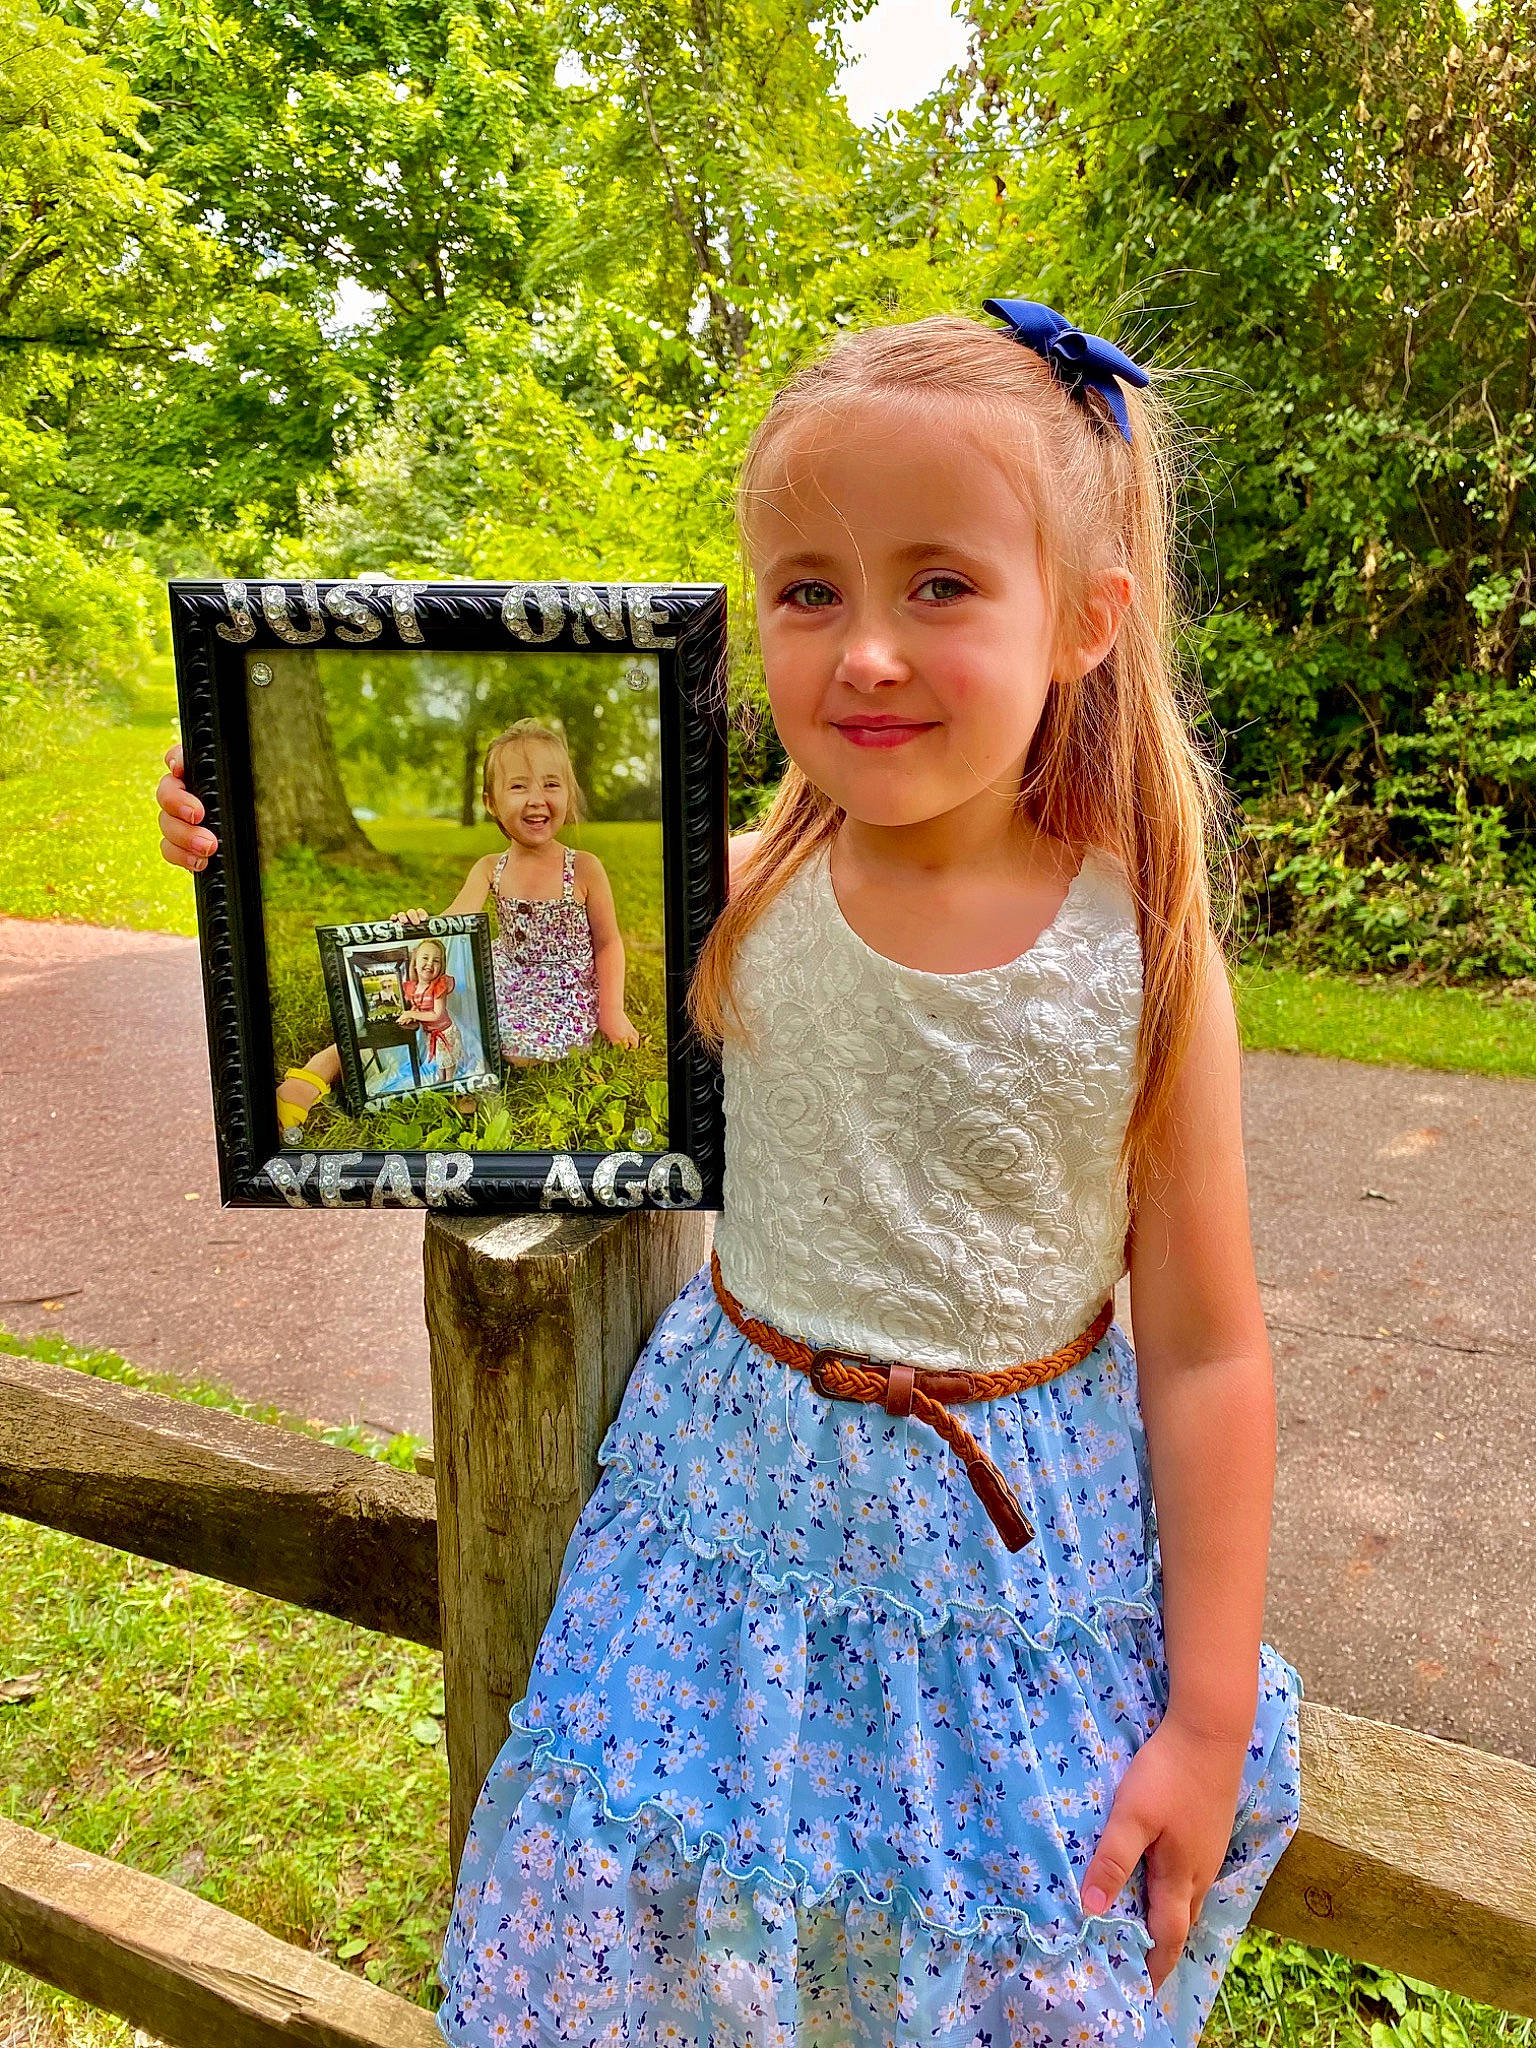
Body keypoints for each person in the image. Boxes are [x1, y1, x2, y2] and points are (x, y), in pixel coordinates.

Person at [164, 298, 1305, 2045]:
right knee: (693, 1940)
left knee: (970, 1957)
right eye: (809, 590)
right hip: (721, 1533)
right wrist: (244, 817)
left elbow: (1211, 1345)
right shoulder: (739, 884)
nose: (863, 650)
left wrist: (1207, 1712)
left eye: (939, 585)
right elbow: (486, 964)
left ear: (1082, 619)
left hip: (1008, 1577)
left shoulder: (1138, 948)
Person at [158, 717, 641, 1134]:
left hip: (559, 990)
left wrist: (611, 1011)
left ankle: (457, 1076)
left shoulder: (585, 868)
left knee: (516, 1049)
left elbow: (608, 943)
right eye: (519, 786)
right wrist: (420, 926)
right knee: (421, 996)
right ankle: (319, 1069)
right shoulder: (490, 867)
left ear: (570, 793)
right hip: (505, 975)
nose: (537, 799)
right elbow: (454, 922)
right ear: (491, 802)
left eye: (552, 784)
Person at [398, 934, 464, 1084]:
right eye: (425, 958)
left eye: (436, 960)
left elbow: (436, 1014)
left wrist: (411, 1013)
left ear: (441, 966)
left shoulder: (438, 986)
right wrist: (412, 1012)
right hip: (431, 1033)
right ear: (415, 963)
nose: (430, 963)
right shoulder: (413, 987)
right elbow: (418, 1004)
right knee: (440, 1058)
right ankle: (441, 1078)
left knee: (448, 1058)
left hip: (446, 1032)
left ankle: (449, 1080)